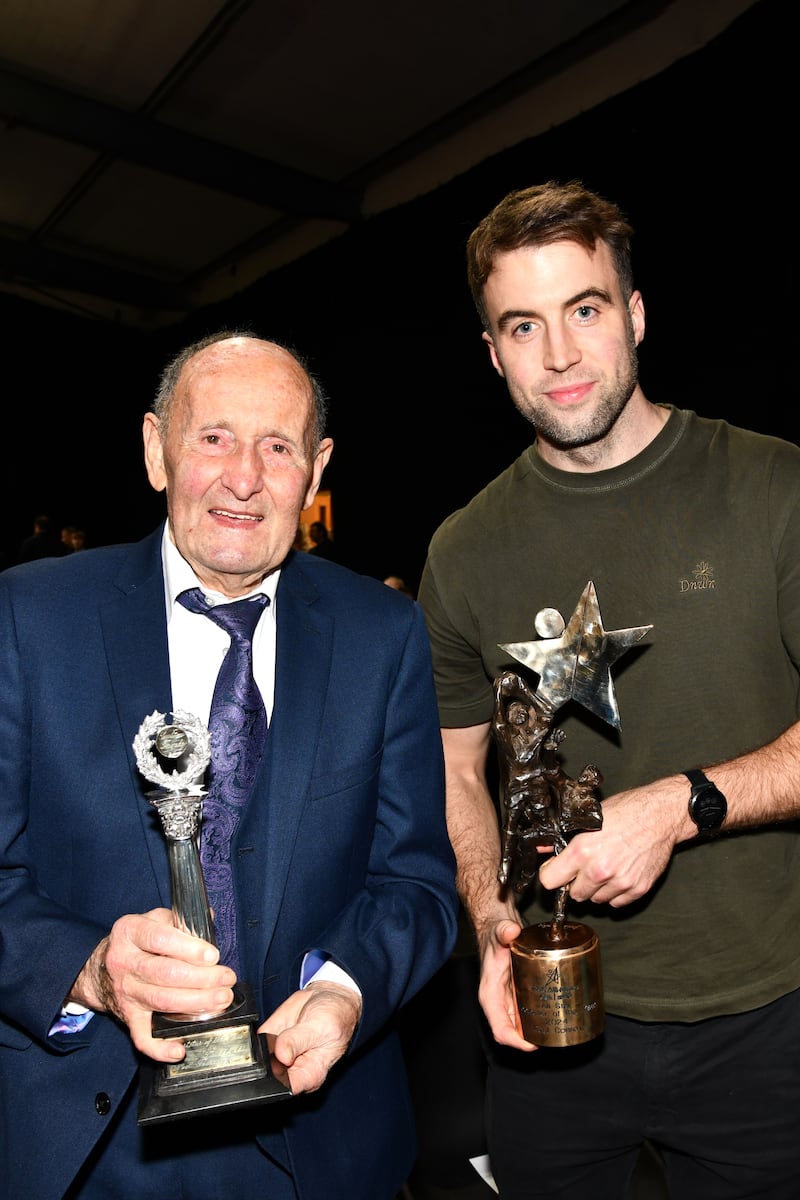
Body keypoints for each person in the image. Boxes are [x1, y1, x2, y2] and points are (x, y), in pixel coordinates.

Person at [0, 330, 459, 1200]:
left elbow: (417, 886)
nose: (244, 477)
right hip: (88, 1141)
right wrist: (88, 968)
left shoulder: (383, 636)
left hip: (316, 1139)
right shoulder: (28, 618)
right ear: (155, 449)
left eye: (278, 446)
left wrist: (348, 993)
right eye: (213, 437)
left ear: (317, 469)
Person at [417, 179, 800, 1199]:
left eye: (584, 310)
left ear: (632, 314)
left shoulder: (771, 488)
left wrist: (678, 806)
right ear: (491, 353)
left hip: (768, 1018)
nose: (558, 354)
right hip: (552, 1032)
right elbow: (456, 774)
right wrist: (491, 923)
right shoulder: (461, 551)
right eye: (521, 325)